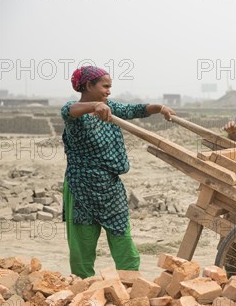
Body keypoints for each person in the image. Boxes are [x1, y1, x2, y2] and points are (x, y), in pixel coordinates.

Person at [61, 65, 176, 278]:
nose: (108, 91)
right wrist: (93, 106)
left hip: (110, 186)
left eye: (110, 87)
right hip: (81, 188)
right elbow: (70, 111)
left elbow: (133, 111)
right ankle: (82, 288)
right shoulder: (74, 111)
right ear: (88, 85)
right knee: (82, 245)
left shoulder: (109, 106)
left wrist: (159, 108)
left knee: (122, 237)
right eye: (105, 86)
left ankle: (131, 283)